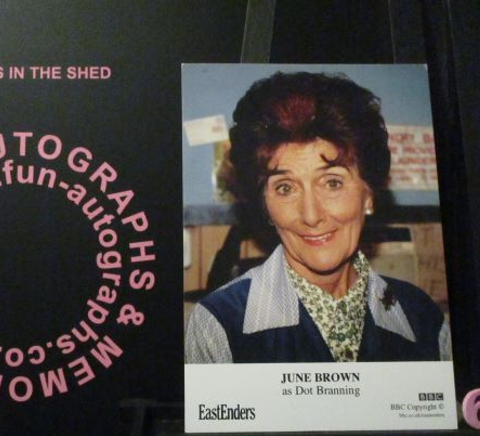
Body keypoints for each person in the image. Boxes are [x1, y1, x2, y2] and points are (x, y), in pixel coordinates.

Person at [185, 72, 451, 363]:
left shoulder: (423, 318)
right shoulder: (218, 324)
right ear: (266, 206)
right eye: (285, 188)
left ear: (369, 195)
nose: (311, 215)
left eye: (332, 183)